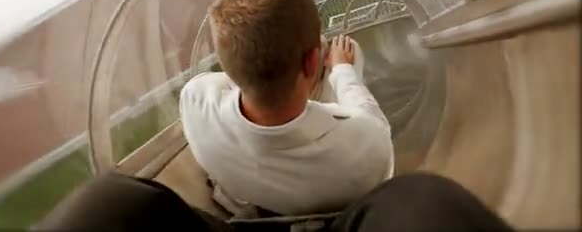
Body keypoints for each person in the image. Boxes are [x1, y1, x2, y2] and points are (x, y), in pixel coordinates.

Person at [180, 0, 393, 217]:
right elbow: (371, 122)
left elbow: (221, 82)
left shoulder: (193, 99)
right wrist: (344, 71)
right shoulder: (365, 152)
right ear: (313, 62)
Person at [36, 172, 514, 231]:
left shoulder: (201, 102)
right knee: (420, 199)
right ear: (312, 65)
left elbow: (202, 90)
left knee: (107, 200)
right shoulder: (362, 142)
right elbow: (376, 170)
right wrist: (346, 76)